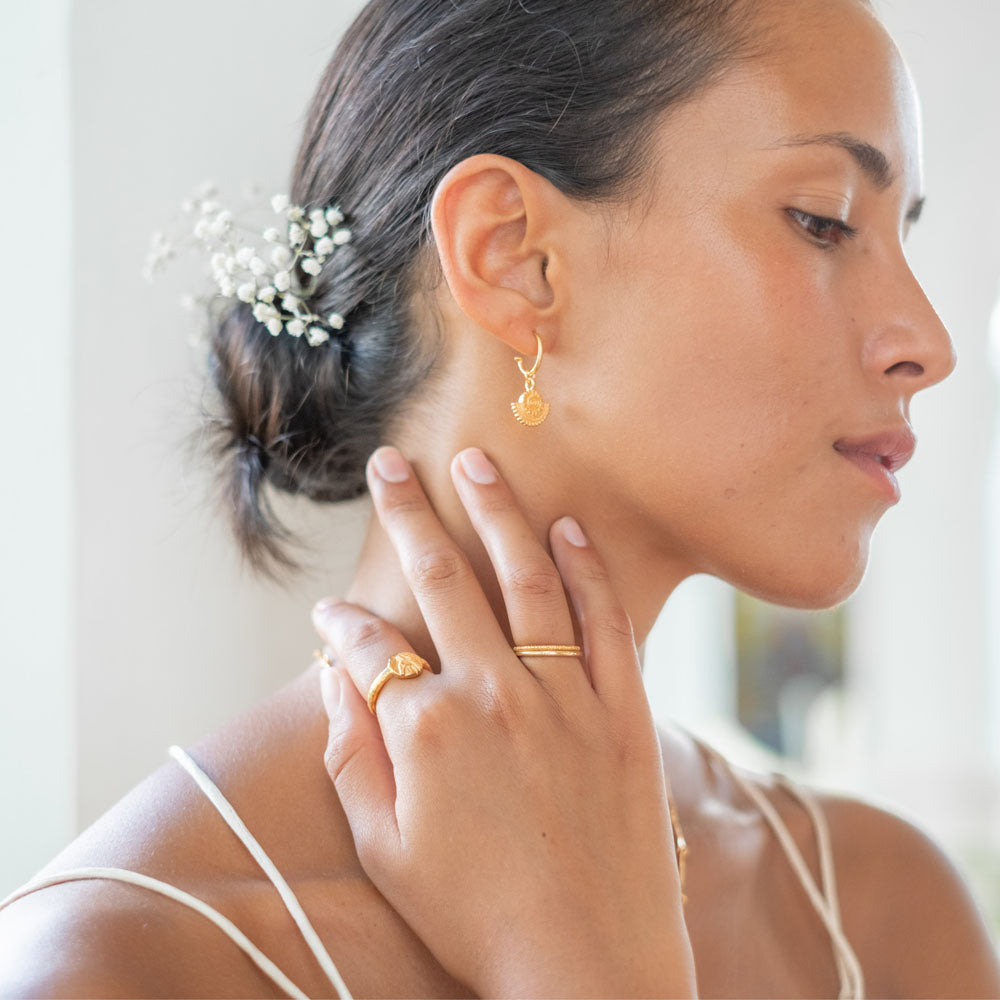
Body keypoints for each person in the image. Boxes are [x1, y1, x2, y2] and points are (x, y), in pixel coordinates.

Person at [2, 0, 999, 996]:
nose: (927, 341)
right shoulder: (115, 965)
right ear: (511, 254)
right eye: (823, 220)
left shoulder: (884, 914)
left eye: (899, 235)